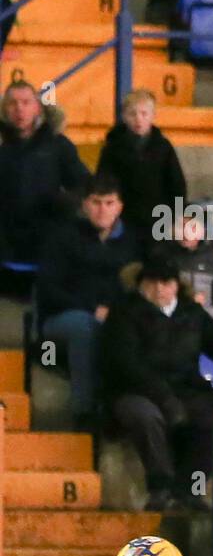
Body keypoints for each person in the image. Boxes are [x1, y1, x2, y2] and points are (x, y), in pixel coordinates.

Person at [101, 257, 213, 511]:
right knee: (147, 417)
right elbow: (126, 366)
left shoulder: (192, 313)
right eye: (151, 282)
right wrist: (165, 399)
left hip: (184, 387)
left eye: (165, 282)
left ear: (176, 285)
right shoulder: (123, 312)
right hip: (134, 391)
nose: (158, 289)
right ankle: (160, 487)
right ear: (141, 285)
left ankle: (189, 490)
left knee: (210, 415)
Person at [37, 174, 143, 430]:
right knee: (87, 327)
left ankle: (123, 414)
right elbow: (49, 290)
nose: (102, 210)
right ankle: (84, 414)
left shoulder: (133, 242)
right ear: (84, 204)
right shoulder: (61, 237)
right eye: (96, 202)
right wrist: (93, 309)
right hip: (62, 319)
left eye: (109, 203)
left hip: (116, 317)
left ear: (120, 206)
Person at [0, 82, 90, 266]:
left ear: (37, 108)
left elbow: (84, 184)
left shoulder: (58, 145)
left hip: (47, 236)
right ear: (4, 110)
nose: (19, 109)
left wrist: (65, 203)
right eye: (13, 103)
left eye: (26, 103)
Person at [95, 89, 187, 235]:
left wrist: (177, 215)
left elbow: (176, 184)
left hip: (158, 220)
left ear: (152, 116)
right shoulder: (112, 148)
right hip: (123, 221)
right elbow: (103, 182)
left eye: (144, 114)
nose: (138, 119)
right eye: (132, 114)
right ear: (124, 116)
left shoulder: (163, 147)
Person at [148, 216, 213, 324]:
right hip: (174, 324)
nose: (185, 233)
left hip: (207, 322)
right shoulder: (162, 256)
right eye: (181, 227)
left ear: (202, 231)